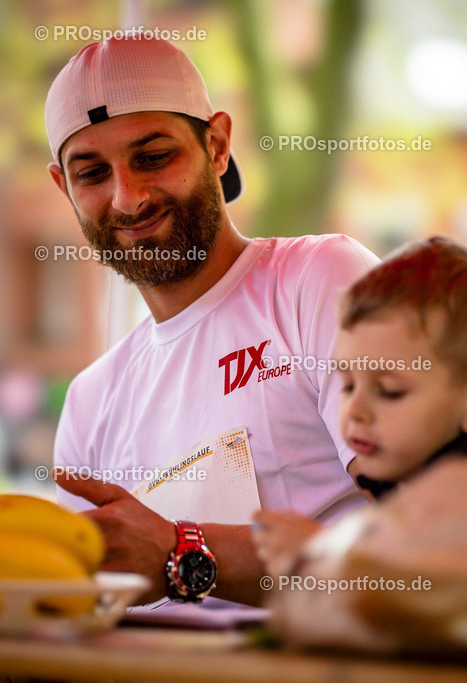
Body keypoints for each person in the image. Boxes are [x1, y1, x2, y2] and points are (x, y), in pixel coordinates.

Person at [44, 36, 380, 607]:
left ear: (218, 145)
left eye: (153, 157)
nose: (128, 198)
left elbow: (429, 546)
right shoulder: (90, 400)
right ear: (64, 189)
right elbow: (75, 607)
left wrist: (181, 551)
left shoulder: (317, 281)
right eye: (92, 174)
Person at [254, 236, 467, 571]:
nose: (355, 411)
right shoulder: (411, 479)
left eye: (389, 391)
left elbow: (444, 601)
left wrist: (320, 558)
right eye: (347, 386)